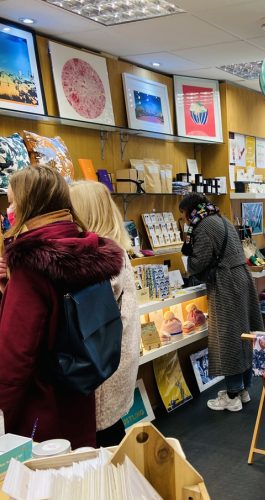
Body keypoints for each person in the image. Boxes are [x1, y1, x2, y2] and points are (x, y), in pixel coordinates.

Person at [0, 166, 124, 447]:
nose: (9, 209)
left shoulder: (31, 265)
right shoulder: (85, 249)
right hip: (79, 397)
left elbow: (13, 362)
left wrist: (1, 419)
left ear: (30, 204)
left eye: (11, 201)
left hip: (38, 413)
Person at [69, 180, 141, 447]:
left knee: (104, 437)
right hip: (115, 358)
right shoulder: (115, 251)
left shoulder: (103, 257)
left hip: (105, 365)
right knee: (109, 432)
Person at [179, 193, 264, 412]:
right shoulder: (220, 218)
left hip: (227, 283)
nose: (185, 221)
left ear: (189, 211)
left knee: (229, 337)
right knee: (243, 334)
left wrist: (188, 257)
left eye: (183, 216)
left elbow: (198, 262)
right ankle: (244, 389)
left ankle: (233, 394)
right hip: (241, 277)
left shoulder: (202, 226)